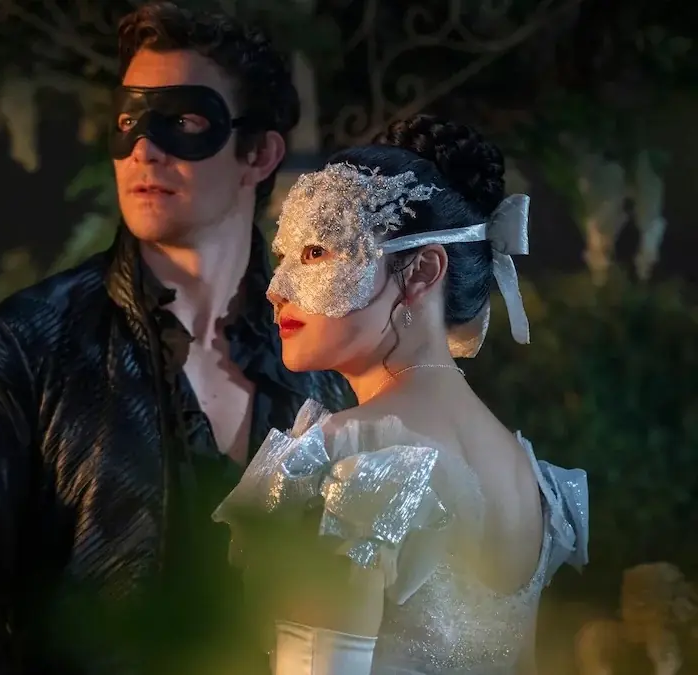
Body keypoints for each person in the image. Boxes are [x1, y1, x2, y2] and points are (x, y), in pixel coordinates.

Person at [0, 3, 352, 675]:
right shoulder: (9, 363)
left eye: (185, 121)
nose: (145, 148)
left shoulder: (333, 367)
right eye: (127, 122)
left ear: (258, 154)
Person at [214, 115, 590, 674]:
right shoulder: (528, 476)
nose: (277, 288)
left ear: (422, 270)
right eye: (284, 256)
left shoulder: (349, 456)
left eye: (315, 253)